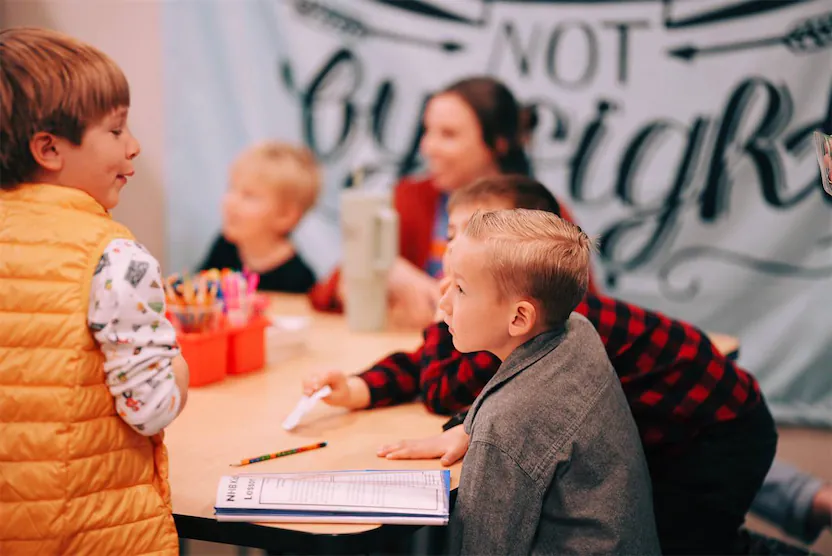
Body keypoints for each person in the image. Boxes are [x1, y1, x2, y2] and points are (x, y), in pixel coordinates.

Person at [304, 175, 778, 555]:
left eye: (463, 276)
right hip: (694, 420)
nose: (446, 268)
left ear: (517, 308)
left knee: (691, 541)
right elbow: (455, 362)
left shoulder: (533, 359)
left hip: (716, 432)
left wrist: (474, 414)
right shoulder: (561, 326)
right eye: (451, 242)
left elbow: (445, 385)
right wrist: (363, 387)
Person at [0, 27, 188, 555]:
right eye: (116, 130)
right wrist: (177, 368)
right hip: (90, 534)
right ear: (49, 148)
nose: (134, 146)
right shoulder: (114, 258)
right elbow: (151, 407)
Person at [440, 208, 659, 554]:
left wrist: (485, 432)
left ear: (519, 317)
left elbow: (483, 548)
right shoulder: (578, 331)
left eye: (461, 290)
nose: (444, 302)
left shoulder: (508, 420)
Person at [307, 76, 595, 327]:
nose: (428, 147)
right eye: (427, 131)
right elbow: (325, 294)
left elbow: (580, 317)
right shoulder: (412, 196)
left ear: (498, 143)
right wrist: (384, 270)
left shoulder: (542, 214)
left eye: (448, 134)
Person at [198, 141, 319, 292]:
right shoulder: (224, 247)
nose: (230, 201)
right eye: (231, 188)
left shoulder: (299, 279)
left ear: (285, 215)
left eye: (249, 195)